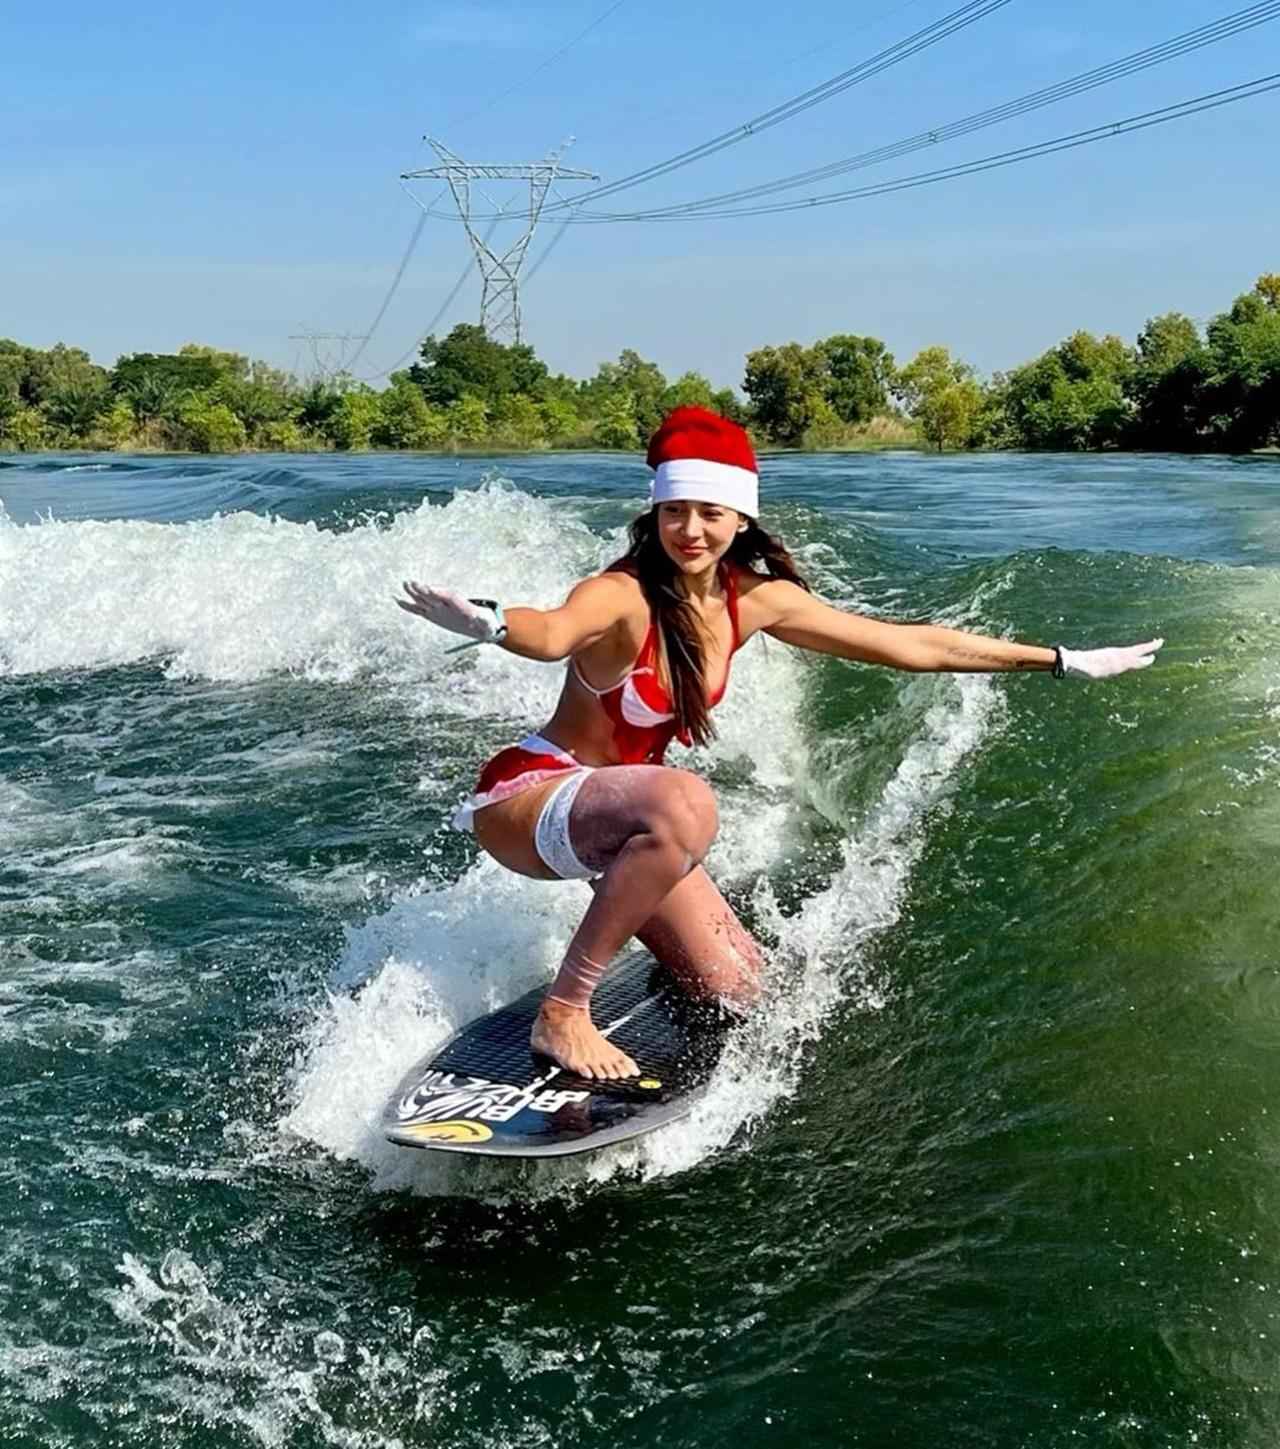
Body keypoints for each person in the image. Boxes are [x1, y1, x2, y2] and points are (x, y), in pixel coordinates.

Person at [398, 407, 1162, 1080]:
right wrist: (494, 623)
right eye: (674, 511)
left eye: (709, 512)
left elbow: (911, 645)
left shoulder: (754, 600)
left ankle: (661, 950)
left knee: (741, 988)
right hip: (530, 801)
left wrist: (1059, 659)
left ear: (740, 519)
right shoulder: (624, 594)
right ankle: (565, 1011)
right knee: (688, 803)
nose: (689, 530)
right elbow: (555, 629)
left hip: (624, 818)